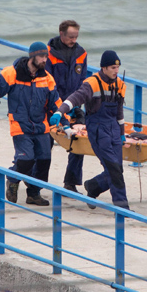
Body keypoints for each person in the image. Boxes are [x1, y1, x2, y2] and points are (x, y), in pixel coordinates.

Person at [0, 41, 67, 206]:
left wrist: (66, 123)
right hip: (20, 124)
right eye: (41, 56)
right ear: (32, 55)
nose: (45, 59)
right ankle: (12, 178)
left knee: (44, 160)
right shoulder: (12, 73)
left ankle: (33, 193)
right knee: (26, 160)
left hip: (41, 126)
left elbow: (57, 104)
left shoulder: (47, 78)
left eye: (46, 56)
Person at [51, 50, 130, 210]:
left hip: (114, 129)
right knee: (114, 169)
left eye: (117, 67)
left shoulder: (120, 84)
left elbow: (119, 112)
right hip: (98, 130)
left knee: (117, 168)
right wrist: (60, 111)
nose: (116, 70)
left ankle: (93, 186)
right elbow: (74, 98)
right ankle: (122, 208)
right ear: (104, 68)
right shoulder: (91, 84)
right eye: (113, 67)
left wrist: (121, 134)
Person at [45, 20, 88, 194]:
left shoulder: (81, 53)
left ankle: (71, 182)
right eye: (71, 36)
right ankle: (36, 183)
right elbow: (47, 83)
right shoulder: (48, 53)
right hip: (51, 106)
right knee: (44, 146)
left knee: (78, 144)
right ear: (61, 34)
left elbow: (83, 82)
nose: (74, 39)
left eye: (76, 36)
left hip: (73, 105)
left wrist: (76, 105)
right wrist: (58, 106)